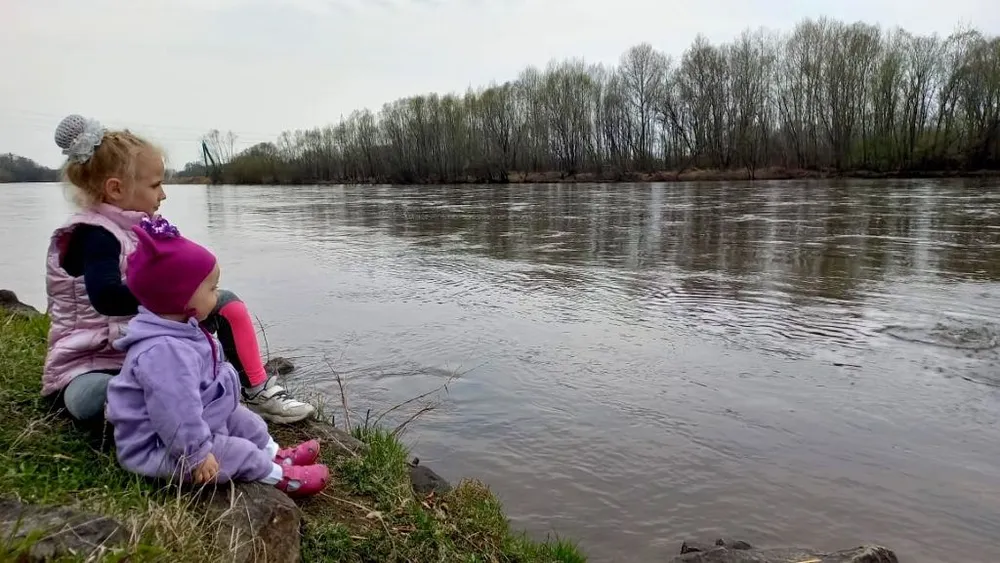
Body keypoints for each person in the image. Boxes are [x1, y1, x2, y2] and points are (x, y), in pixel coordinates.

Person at [43, 114, 315, 424]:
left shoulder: (142, 227)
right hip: (93, 360)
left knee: (226, 304)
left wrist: (199, 283)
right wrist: (170, 296)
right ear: (116, 189)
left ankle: (255, 389)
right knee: (89, 397)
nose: (163, 194)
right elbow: (105, 298)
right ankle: (147, 407)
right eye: (156, 185)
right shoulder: (95, 235)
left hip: (144, 345)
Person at [105, 215, 329, 496]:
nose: (218, 294)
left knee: (246, 421)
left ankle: (273, 453)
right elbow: (175, 413)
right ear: (181, 298)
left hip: (196, 421)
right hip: (162, 446)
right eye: (211, 288)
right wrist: (196, 454)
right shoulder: (163, 353)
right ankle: (279, 476)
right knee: (235, 452)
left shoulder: (181, 327)